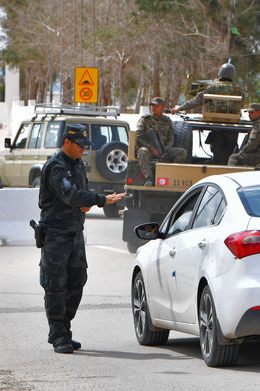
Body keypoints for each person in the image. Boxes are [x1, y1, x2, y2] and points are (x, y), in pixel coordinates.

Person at [38, 124, 126, 354]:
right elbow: (71, 195)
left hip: (75, 233)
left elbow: (79, 198)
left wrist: (86, 202)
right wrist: (100, 199)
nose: (84, 150)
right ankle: (58, 334)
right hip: (56, 234)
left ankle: (64, 329)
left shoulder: (77, 165)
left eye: (86, 146)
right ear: (67, 142)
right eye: (80, 145)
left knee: (77, 281)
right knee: (55, 284)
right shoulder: (55, 168)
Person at [171, 61, 244, 164]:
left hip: (216, 123)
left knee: (217, 149)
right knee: (230, 149)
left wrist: (180, 108)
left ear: (220, 73)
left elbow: (197, 101)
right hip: (232, 124)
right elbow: (241, 104)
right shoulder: (239, 89)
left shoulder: (213, 87)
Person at [136, 97, 188, 186]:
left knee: (182, 152)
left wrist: (165, 150)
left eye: (156, 105)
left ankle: (171, 176)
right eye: (152, 105)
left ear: (163, 107)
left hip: (164, 150)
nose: (153, 107)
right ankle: (149, 178)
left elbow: (171, 138)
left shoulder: (167, 121)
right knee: (142, 151)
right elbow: (138, 137)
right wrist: (151, 147)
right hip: (149, 150)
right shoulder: (145, 119)